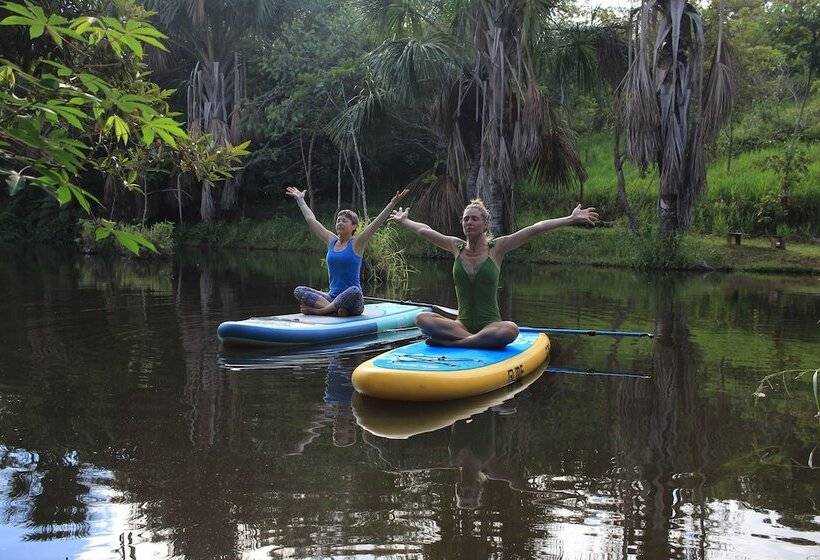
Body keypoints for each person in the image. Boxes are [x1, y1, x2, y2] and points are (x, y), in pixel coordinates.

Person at [390, 199, 599, 348]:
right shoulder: (456, 246)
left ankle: (460, 343)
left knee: (510, 330)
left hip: (491, 326)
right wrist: (405, 221)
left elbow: (535, 229)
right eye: (465, 219)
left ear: (485, 224)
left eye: (474, 219)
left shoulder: (496, 248)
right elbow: (425, 231)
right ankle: (473, 341)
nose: (468, 223)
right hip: (460, 325)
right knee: (422, 319)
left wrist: (570, 219)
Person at [285, 186, 409, 316]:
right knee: (299, 290)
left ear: (354, 226)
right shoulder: (331, 240)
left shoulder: (357, 243)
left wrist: (392, 203)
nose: (340, 223)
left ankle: (322, 311)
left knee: (354, 290)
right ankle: (335, 309)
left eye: (344, 221)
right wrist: (300, 200)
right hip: (332, 297)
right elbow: (311, 220)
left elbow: (376, 223)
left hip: (353, 300)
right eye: (338, 220)